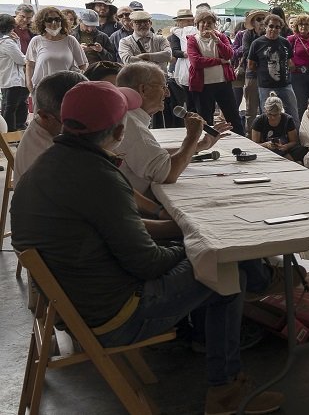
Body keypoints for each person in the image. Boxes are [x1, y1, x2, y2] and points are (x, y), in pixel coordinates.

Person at [9, 80, 285, 414]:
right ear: (119, 131)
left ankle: (202, 333)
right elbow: (149, 264)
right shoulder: (98, 175)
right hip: (113, 315)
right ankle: (225, 390)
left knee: (199, 253)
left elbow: (118, 233)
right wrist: (198, 245)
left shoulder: (49, 163)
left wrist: (184, 237)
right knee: (224, 269)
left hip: (70, 304)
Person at [114, 62, 225, 199]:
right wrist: (192, 136)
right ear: (143, 89)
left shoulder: (129, 117)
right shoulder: (131, 124)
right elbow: (167, 174)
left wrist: (199, 145)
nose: (167, 93)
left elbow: (156, 155)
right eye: (163, 87)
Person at [13, 70, 87, 182]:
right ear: (45, 116)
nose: (85, 129)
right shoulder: (46, 158)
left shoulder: (47, 128)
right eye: (73, 123)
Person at [187, 11, 245, 136]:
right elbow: (196, 62)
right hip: (203, 86)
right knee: (205, 118)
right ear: (197, 24)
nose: (206, 25)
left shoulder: (222, 37)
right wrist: (219, 61)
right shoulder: (192, 40)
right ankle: (206, 143)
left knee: (233, 116)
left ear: (214, 24)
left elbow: (229, 54)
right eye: (203, 22)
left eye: (210, 22)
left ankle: (240, 140)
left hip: (223, 83)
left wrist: (217, 41)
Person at [247, 13, 299, 123]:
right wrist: (264, 71)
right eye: (271, 26)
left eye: (277, 27)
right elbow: (251, 65)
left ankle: (295, 138)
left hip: (285, 85)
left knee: (293, 114)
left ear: (280, 29)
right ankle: (267, 139)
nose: (274, 29)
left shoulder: (285, 42)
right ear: (266, 26)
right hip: (266, 86)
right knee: (267, 115)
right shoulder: (257, 43)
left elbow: (289, 61)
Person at [25, 6, 87, 95]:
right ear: (42, 22)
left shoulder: (70, 40)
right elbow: (29, 65)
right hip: (43, 91)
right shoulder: (36, 41)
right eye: (49, 20)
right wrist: (30, 87)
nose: (54, 23)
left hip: (66, 90)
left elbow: (83, 65)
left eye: (57, 19)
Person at [0, 14, 29, 130]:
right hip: (13, 79)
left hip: (6, 78)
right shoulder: (7, 42)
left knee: (7, 105)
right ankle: (11, 131)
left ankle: (7, 131)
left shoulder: (4, 41)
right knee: (11, 107)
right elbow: (21, 59)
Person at [251, 92, 300, 158]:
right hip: (265, 152)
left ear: (280, 111)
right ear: (265, 110)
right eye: (270, 114)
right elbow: (254, 145)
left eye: (275, 115)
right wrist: (266, 145)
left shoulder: (288, 119)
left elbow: (294, 141)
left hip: (284, 150)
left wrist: (285, 146)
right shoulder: (259, 120)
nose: (273, 117)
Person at [289, 14, 309, 109]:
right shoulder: (292, 39)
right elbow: (284, 54)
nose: (303, 27)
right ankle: (301, 123)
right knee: (301, 103)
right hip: (297, 75)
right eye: (301, 24)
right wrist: (290, 62)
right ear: (297, 26)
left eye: (306, 24)